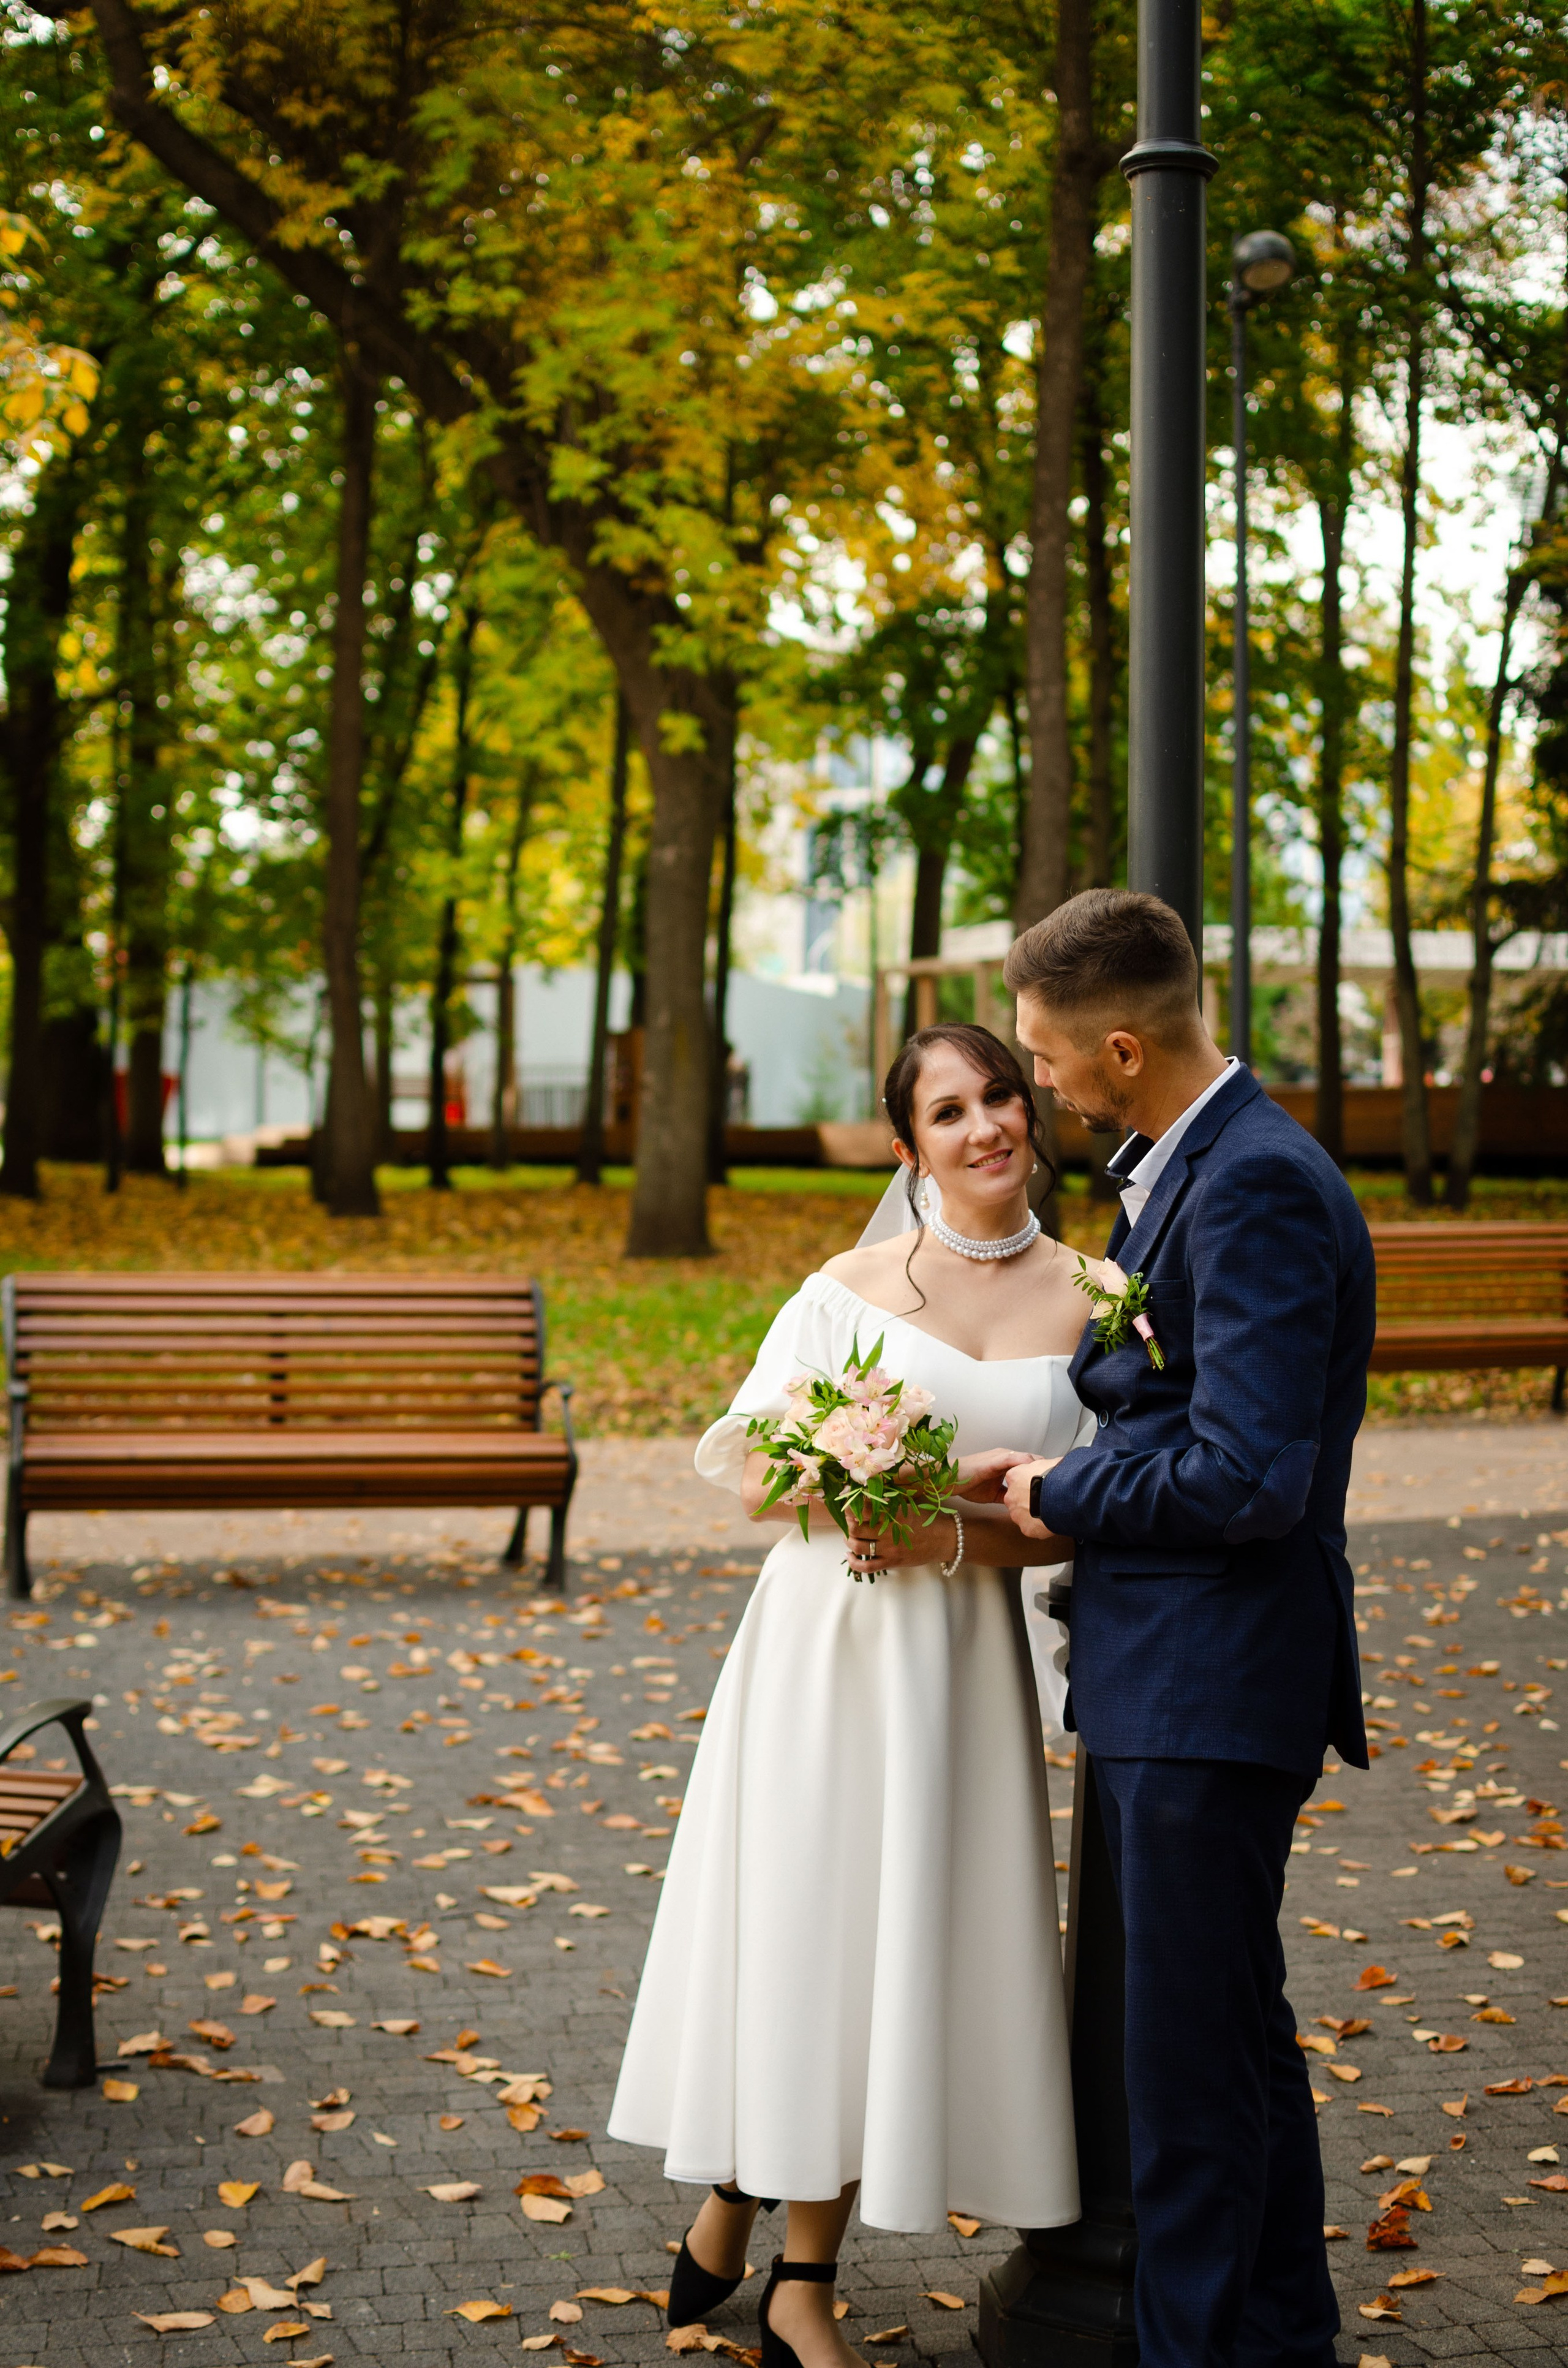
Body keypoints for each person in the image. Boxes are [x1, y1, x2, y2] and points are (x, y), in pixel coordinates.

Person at [608, 1024, 1094, 2368]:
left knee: (899, 1949)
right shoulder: (848, 1287)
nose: (986, 1125)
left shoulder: (1099, 1296)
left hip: (962, 1663)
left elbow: (1081, 1519)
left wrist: (952, 1517)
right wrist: (885, 1472)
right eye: (949, 1111)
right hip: (829, 1647)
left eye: (1000, 1094)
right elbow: (757, 1475)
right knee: (817, 1937)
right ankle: (790, 2280)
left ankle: (747, 2228)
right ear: (906, 1147)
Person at [968, 887, 1374, 2368]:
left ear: (1121, 1048)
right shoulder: (1191, 1164)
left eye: (1046, 1056)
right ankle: (1272, 2340)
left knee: (1187, 2078)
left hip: (1216, 1681)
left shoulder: (1254, 1183)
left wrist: (1061, 1483)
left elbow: (1250, 1476)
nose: (1040, 1082)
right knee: (1233, 2046)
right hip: (1173, 1676)